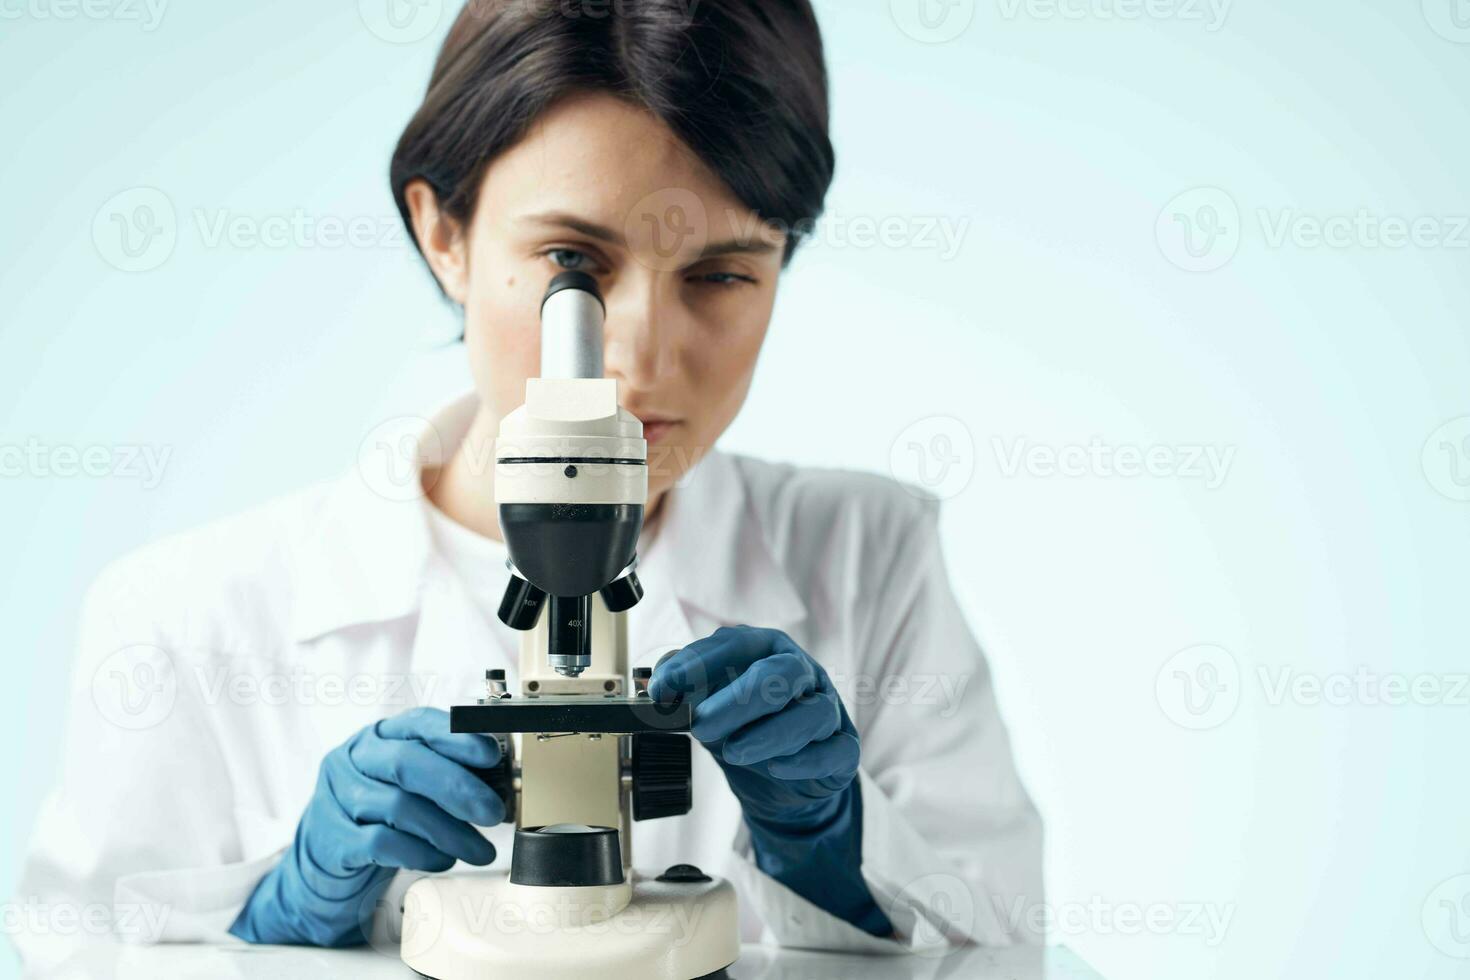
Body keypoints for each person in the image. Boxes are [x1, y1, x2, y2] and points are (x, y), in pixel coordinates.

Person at [14, 0, 1041, 964]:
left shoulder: (870, 553)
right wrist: (278, 915)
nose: (640, 354)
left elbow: (1013, 945)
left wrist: (828, 848)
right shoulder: (186, 613)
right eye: (572, 267)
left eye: (723, 273)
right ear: (444, 233)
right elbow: (75, 954)